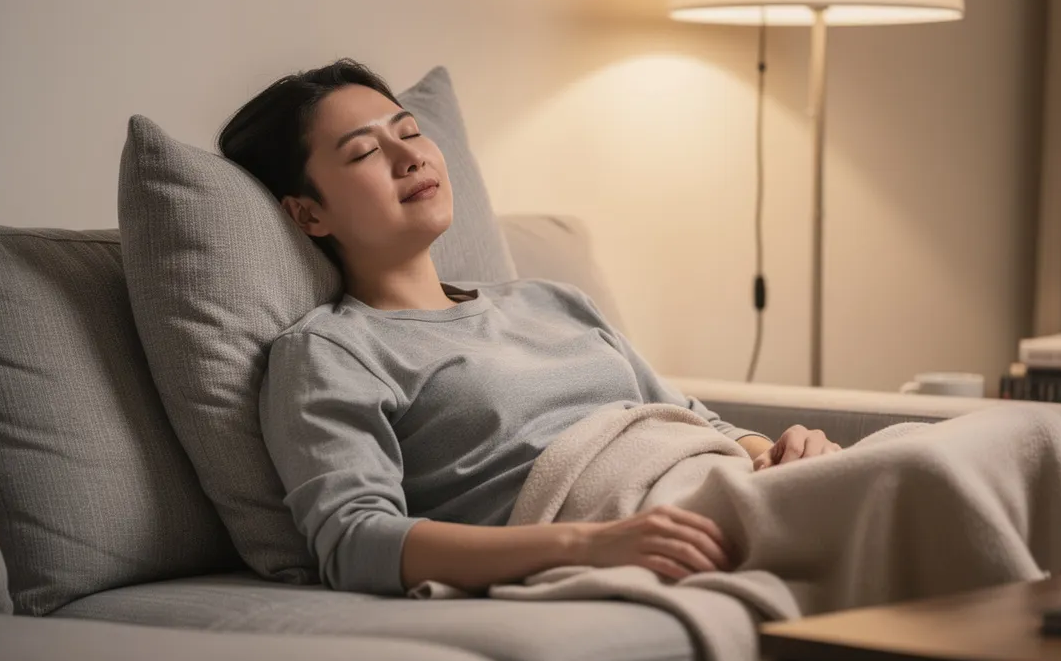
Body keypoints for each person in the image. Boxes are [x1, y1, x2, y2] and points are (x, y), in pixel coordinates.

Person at [221, 58, 841, 597]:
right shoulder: (331, 350)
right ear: (307, 213)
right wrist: (586, 544)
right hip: (639, 518)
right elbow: (355, 542)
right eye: (363, 151)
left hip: (713, 475)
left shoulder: (551, 300)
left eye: (409, 131)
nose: (410, 157)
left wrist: (779, 450)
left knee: (920, 457)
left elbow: (694, 418)